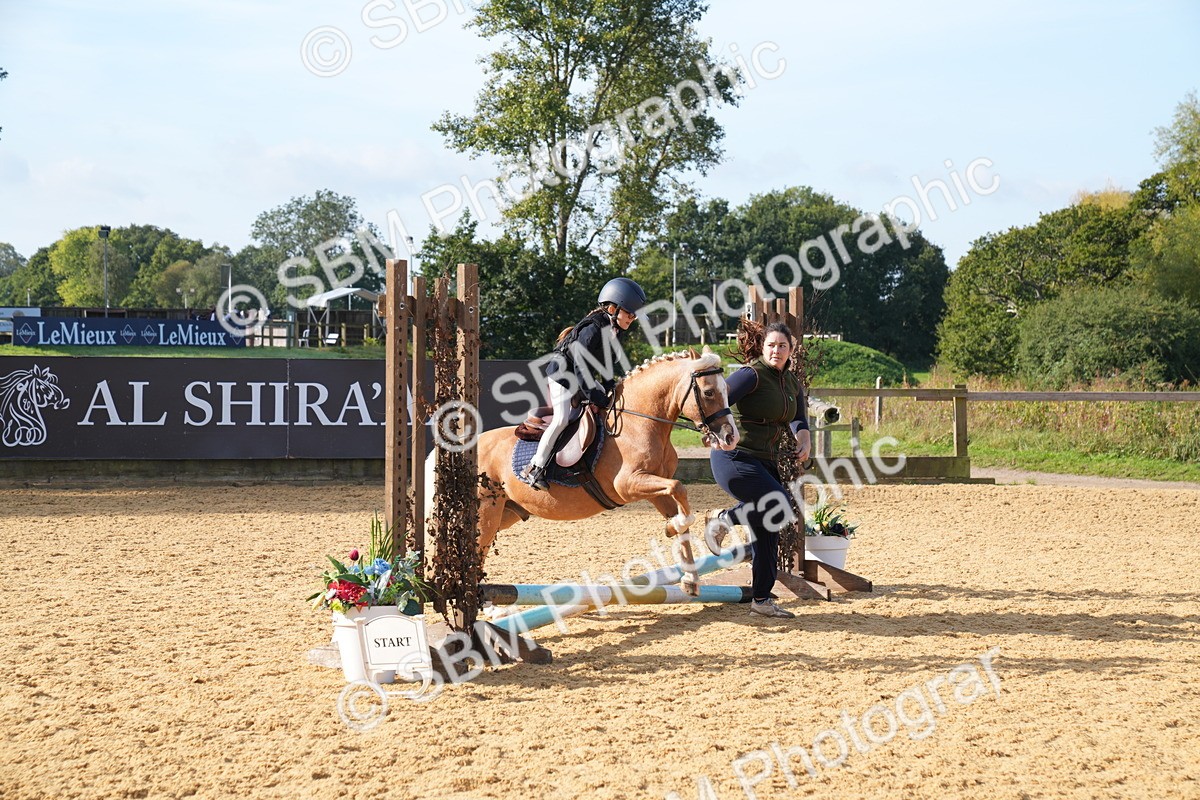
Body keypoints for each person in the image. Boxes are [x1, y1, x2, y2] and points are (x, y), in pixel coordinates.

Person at [708, 319, 812, 618]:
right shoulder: (750, 375)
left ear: (791, 349)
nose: (776, 350)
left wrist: (804, 439)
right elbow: (717, 400)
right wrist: (714, 431)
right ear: (763, 347)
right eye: (771, 345)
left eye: (782, 346)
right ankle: (723, 519)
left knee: (770, 525)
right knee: (778, 503)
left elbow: (799, 419)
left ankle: (762, 600)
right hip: (734, 457)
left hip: (764, 463)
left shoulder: (791, 382)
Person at [519, 277, 646, 491]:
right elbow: (580, 366)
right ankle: (534, 467)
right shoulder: (594, 327)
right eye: (630, 313)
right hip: (562, 375)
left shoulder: (614, 329)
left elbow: (605, 363)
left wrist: (609, 386)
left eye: (635, 315)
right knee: (560, 420)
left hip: (580, 375)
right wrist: (592, 393)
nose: (633, 318)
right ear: (613, 308)